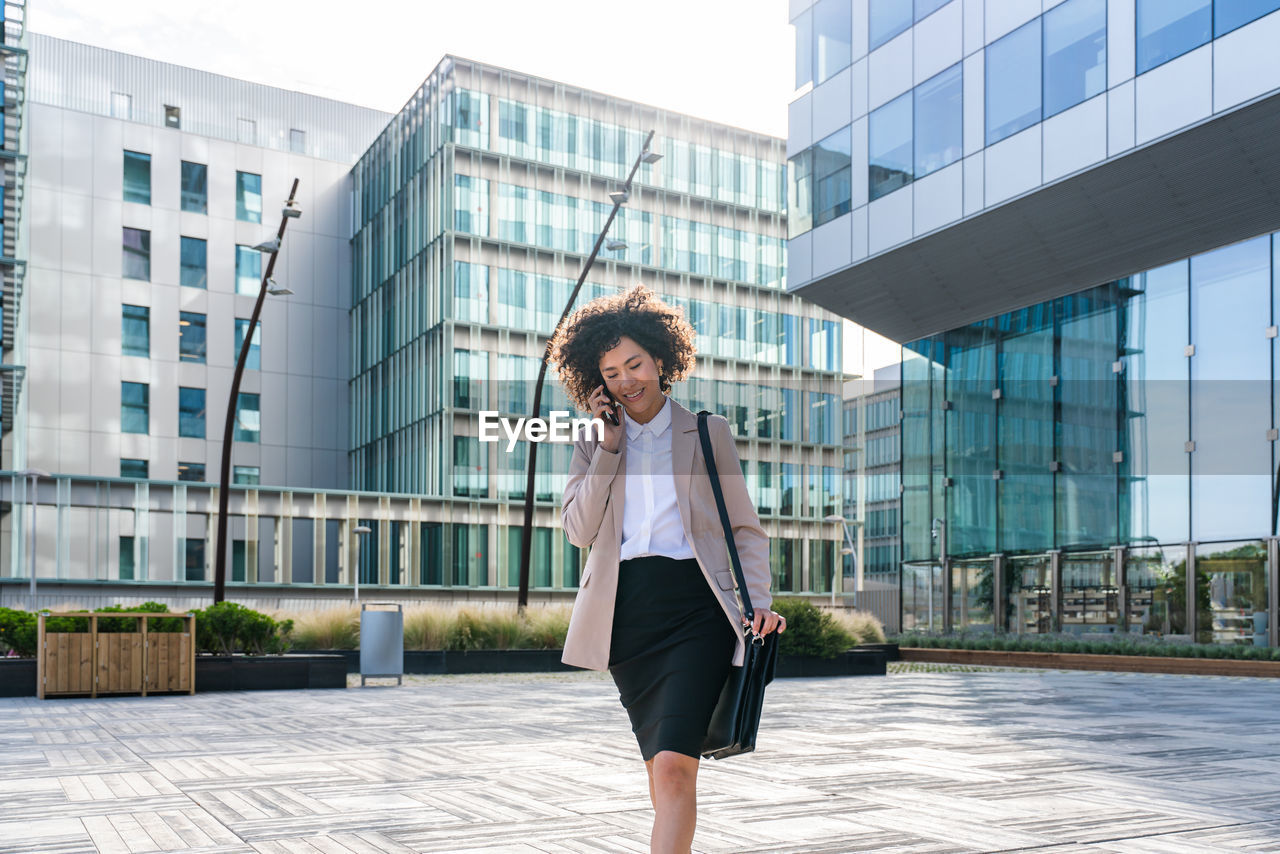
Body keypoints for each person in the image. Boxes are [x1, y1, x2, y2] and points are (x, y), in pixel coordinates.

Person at [550, 285, 785, 854]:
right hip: (627, 614)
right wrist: (607, 450)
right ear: (597, 379)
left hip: (697, 608)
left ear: (661, 358)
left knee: (678, 767)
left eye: (635, 363)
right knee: (661, 769)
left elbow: (745, 529)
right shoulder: (593, 441)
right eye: (611, 372)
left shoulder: (708, 432)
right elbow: (580, 531)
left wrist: (757, 601)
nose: (627, 380)